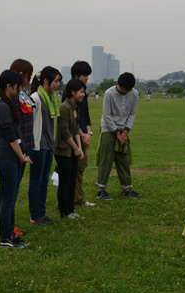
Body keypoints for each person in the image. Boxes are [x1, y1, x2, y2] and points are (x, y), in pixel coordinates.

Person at [0, 70, 32, 248]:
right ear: (9, 86)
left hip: (10, 157)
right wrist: (21, 156)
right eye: (19, 85)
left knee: (8, 198)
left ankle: (10, 233)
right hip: (7, 157)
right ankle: (5, 238)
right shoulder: (3, 107)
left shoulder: (6, 105)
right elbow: (10, 136)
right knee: (8, 200)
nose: (21, 88)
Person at [94, 72, 141, 200]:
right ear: (118, 84)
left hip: (124, 129)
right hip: (108, 130)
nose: (124, 92)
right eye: (122, 89)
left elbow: (132, 114)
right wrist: (117, 133)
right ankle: (101, 190)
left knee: (123, 159)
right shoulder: (109, 93)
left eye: (127, 90)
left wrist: (125, 131)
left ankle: (126, 189)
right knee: (106, 159)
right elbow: (107, 115)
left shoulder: (134, 94)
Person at [28, 66, 62, 225]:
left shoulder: (51, 98)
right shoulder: (35, 98)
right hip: (37, 146)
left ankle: (41, 213)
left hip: (48, 145)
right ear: (46, 81)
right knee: (36, 181)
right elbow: (27, 123)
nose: (58, 85)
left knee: (43, 181)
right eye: (56, 81)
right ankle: (35, 215)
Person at [60, 61, 95, 207]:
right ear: (76, 75)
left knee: (80, 167)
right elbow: (72, 120)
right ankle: (76, 199)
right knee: (74, 169)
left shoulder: (83, 92)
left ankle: (78, 198)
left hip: (83, 135)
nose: (87, 78)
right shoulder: (68, 94)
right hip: (74, 137)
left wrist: (89, 133)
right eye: (84, 75)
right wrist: (82, 134)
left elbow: (85, 114)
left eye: (88, 75)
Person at [8, 59, 35, 236]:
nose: (30, 78)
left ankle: (11, 224)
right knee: (9, 191)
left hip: (26, 145)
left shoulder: (23, 93)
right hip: (15, 148)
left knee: (14, 189)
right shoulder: (13, 96)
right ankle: (8, 227)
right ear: (20, 75)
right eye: (28, 75)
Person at [55, 79, 86, 219]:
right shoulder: (64, 108)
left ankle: (71, 210)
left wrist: (79, 149)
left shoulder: (75, 108)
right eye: (81, 92)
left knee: (72, 181)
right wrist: (75, 148)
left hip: (73, 150)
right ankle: (64, 211)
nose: (83, 94)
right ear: (73, 92)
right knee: (65, 182)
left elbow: (76, 130)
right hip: (63, 151)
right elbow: (65, 132)